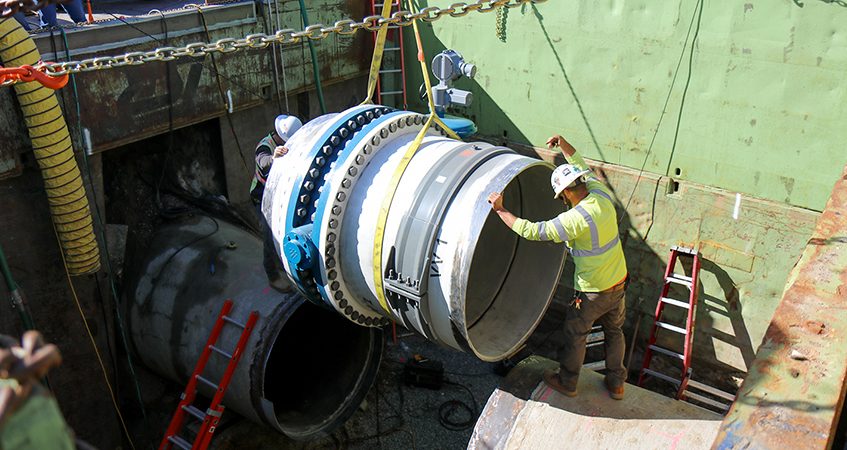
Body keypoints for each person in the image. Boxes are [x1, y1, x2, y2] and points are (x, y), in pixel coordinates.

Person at [487, 134, 628, 400]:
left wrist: (501, 210)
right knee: (615, 330)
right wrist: (564, 144)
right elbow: (580, 162)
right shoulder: (601, 193)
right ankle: (617, 383)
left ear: (564, 193)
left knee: (576, 334)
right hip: (619, 282)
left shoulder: (574, 219)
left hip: (592, 291)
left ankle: (568, 381)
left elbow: (531, 230)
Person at [252, 114, 302, 293]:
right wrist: (274, 158)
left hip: (278, 195)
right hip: (261, 197)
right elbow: (263, 162)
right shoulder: (265, 147)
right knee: (269, 234)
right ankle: (272, 274)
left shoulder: (289, 145)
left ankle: (283, 266)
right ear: (281, 136)